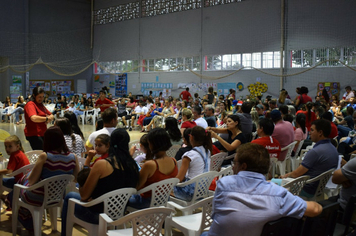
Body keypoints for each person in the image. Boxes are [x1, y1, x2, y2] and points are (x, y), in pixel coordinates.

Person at [203, 143, 322, 236]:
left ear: (243, 166)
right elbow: (316, 209)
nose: (233, 166)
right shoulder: (277, 194)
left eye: (235, 162)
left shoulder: (224, 183)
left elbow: (217, 217)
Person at [61, 128, 139, 236]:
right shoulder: (133, 166)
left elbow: (83, 196)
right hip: (120, 212)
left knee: (69, 196)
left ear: (110, 144)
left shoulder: (103, 164)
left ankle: (64, 233)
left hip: (97, 214)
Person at [15, 126, 79, 230]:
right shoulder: (73, 157)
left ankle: (26, 220)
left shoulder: (45, 156)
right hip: (58, 196)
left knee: (19, 186)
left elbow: (32, 181)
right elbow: (76, 178)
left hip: (38, 197)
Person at [281, 119, 339, 198]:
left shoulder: (316, 152)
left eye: (312, 130)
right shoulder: (333, 149)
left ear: (320, 133)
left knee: (274, 184)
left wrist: (284, 176)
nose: (309, 132)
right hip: (318, 189)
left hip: (305, 190)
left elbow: (296, 174)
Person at [128, 128, 178, 209]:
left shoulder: (150, 165)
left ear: (152, 144)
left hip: (147, 202)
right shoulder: (174, 161)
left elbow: (136, 187)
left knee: (122, 200)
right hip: (164, 199)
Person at [173, 126, 212, 201]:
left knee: (166, 191)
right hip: (203, 189)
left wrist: (168, 184)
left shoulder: (189, 155)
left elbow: (179, 179)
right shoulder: (208, 151)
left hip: (190, 192)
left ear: (191, 137)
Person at [0, 135, 30, 201]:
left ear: (17, 146)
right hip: (26, 181)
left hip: (19, 182)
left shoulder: (14, 155)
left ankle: (6, 198)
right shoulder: (21, 153)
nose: (7, 149)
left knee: (1, 180)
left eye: (10, 146)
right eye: (6, 147)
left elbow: (9, 171)